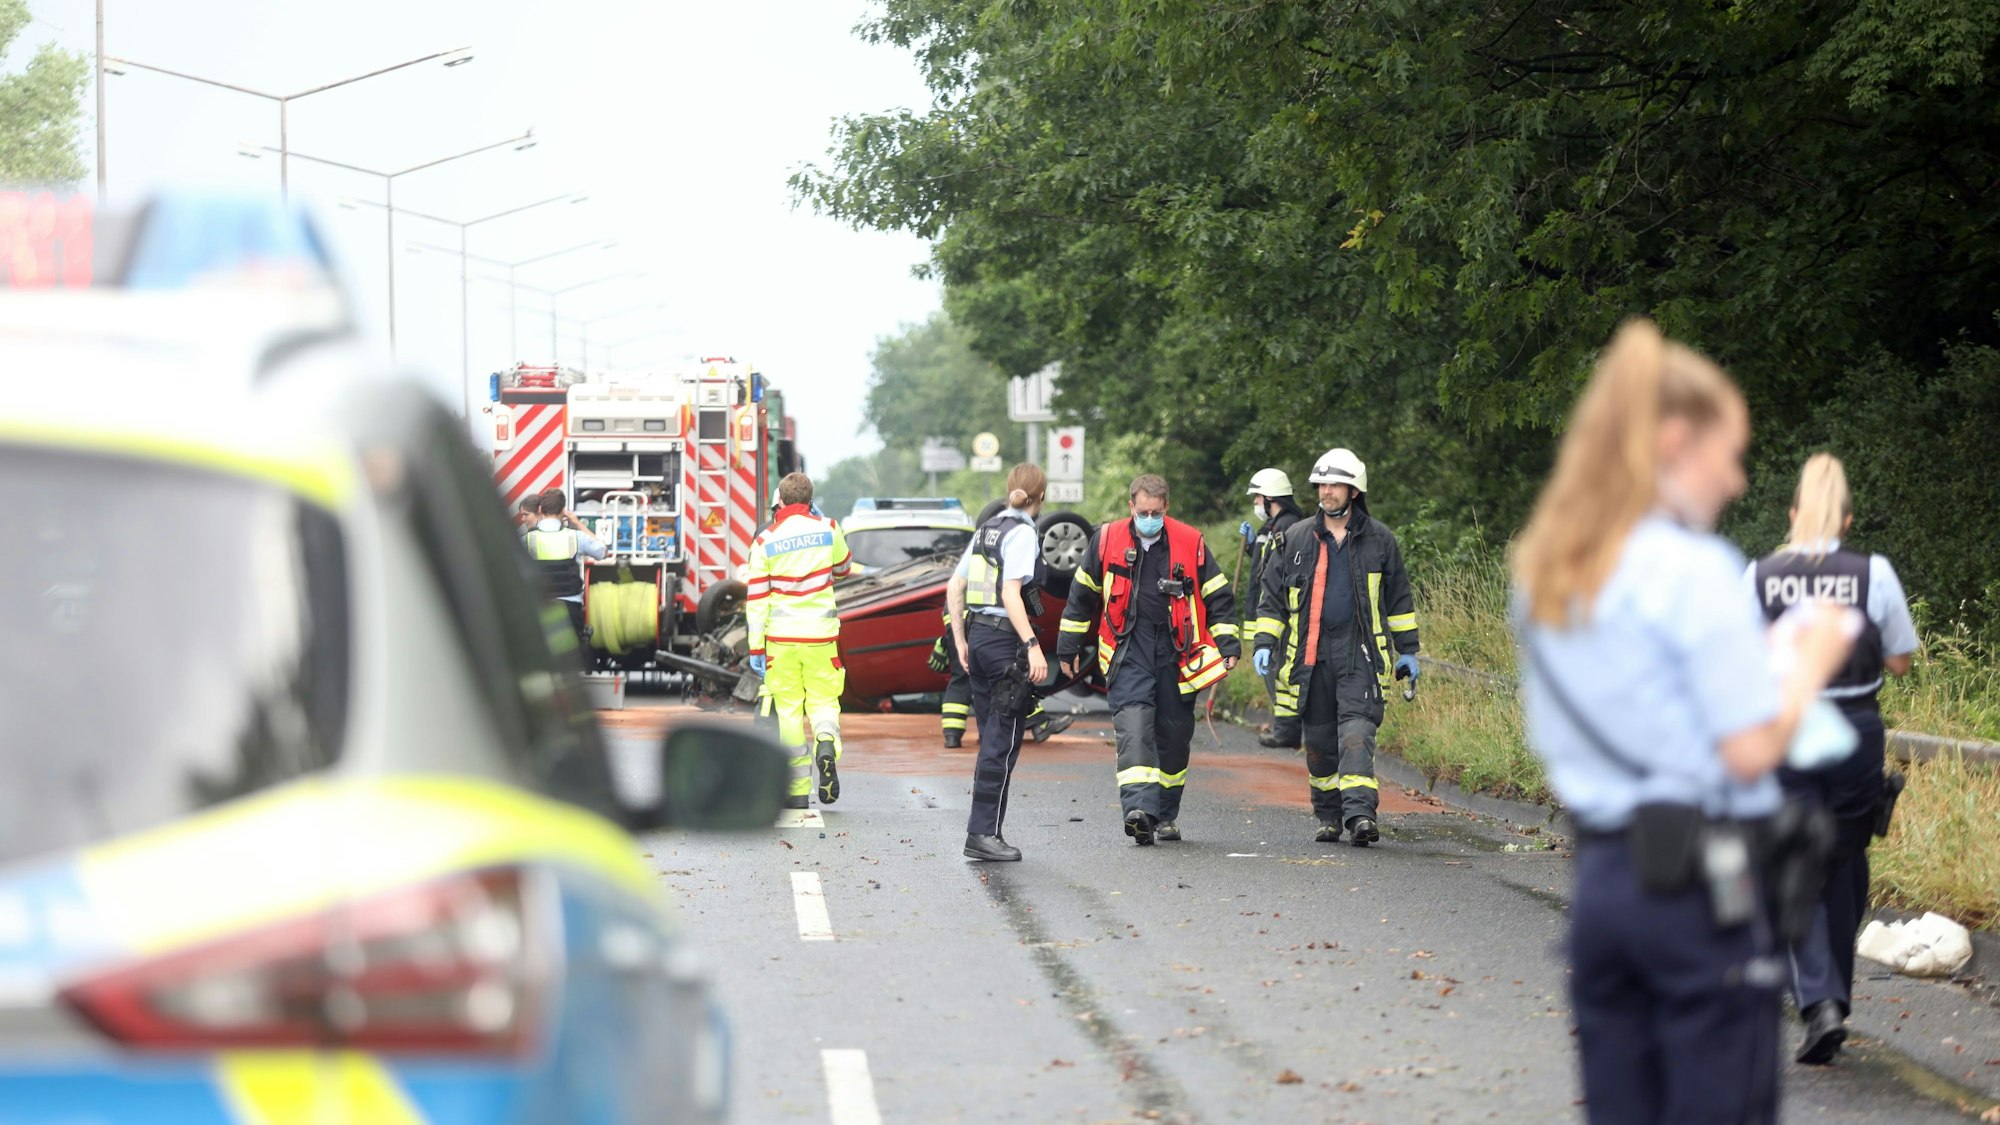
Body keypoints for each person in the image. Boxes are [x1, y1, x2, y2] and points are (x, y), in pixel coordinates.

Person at [1511, 318, 1856, 1125]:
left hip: (1604, 887)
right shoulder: (1696, 571)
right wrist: (1806, 666)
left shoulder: (1548, 567)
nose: (1736, 481)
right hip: (1704, 892)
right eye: (1727, 454)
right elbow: (1748, 749)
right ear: (1673, 442)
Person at [1748, 453, 1918, 1065]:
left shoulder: (1761, 575)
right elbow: (1900, 659)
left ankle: (1820, 1002)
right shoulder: (1873, 573)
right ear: (1845, 519)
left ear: (1794, 515)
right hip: (1854, 734)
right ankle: (1830, 1001)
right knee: (1842, 860)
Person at [1058, 474, 1239, 846]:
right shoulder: (1106, 540)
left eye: (1156, 512)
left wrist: (1228, 643)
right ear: (1131, 507)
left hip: (1177, 654)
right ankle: (1139, 811)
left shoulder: (1191, 542)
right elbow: (1082, 595)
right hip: (1128, 649)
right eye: (1143, 512)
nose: (1149, 518)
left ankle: (1166, 814)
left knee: (1174, 736)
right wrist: (1068, 645)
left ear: (1166, 508)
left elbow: (1218, 596)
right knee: (1135, 729)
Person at [1250, 449, 1418, 846]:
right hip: (1311, 657)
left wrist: (1408, 649)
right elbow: (1271, 597)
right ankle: (1328, 815)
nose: (1326, 492)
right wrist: (1264, 641)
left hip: (1360, 655)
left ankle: (1360, 814)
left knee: (1357, 733)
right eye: (1322, 485)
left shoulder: (1379, 540)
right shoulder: (1295, 538)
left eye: (1335, 485)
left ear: (1354, 490)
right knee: (1321, 743)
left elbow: (1399, 599)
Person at [947, 464, 1053, 861]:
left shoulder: (987, 528)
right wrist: (1032, 645)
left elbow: (955, 585)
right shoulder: (1023, 533)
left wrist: (960, 639)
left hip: (978, 638)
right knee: (1002, 741)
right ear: (1040, 498)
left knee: (991, 736)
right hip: (1005, 641)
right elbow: (1011, 594)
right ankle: (983, 834)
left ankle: (986, 830)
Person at [746, 472, 854, 810]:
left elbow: (757, 599)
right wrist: (824, 525)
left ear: (780, 499)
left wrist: (755, 646)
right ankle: (825, 743)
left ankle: (796, 790)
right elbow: (844, 569)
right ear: (810, 500)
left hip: (781, 641)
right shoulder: (829, 528)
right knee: (824, 703)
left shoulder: (765, 541)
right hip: (821, 637)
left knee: (790, 713)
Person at [935, 609, 1074, 748]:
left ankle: (952, 736)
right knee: (1009, 677)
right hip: (983, 623)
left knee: (961, 679)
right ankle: (1038, 723)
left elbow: (954, 595)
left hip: (955, 623)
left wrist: (948, 639)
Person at [1244, 468, 1306, 749]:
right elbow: (1263, 564)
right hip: (1271, 612)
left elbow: (1280, 573)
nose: (1256, 503)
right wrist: (1250, 546)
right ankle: (1287, 729)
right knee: (1277, 673)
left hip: (1283, 615)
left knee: (1281, 673)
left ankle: (1289, 731)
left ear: (1270, 498)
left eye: (1258, 497)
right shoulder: (1274, 526)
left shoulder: (1289, 527)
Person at [523, 489, 607, 647]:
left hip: (540, 607)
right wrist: (577, 523)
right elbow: (602, 551)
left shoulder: (528, 539)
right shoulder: (575, 536)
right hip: (570, 609)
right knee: (572, 658)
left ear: (540, 510)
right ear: (563, 511)